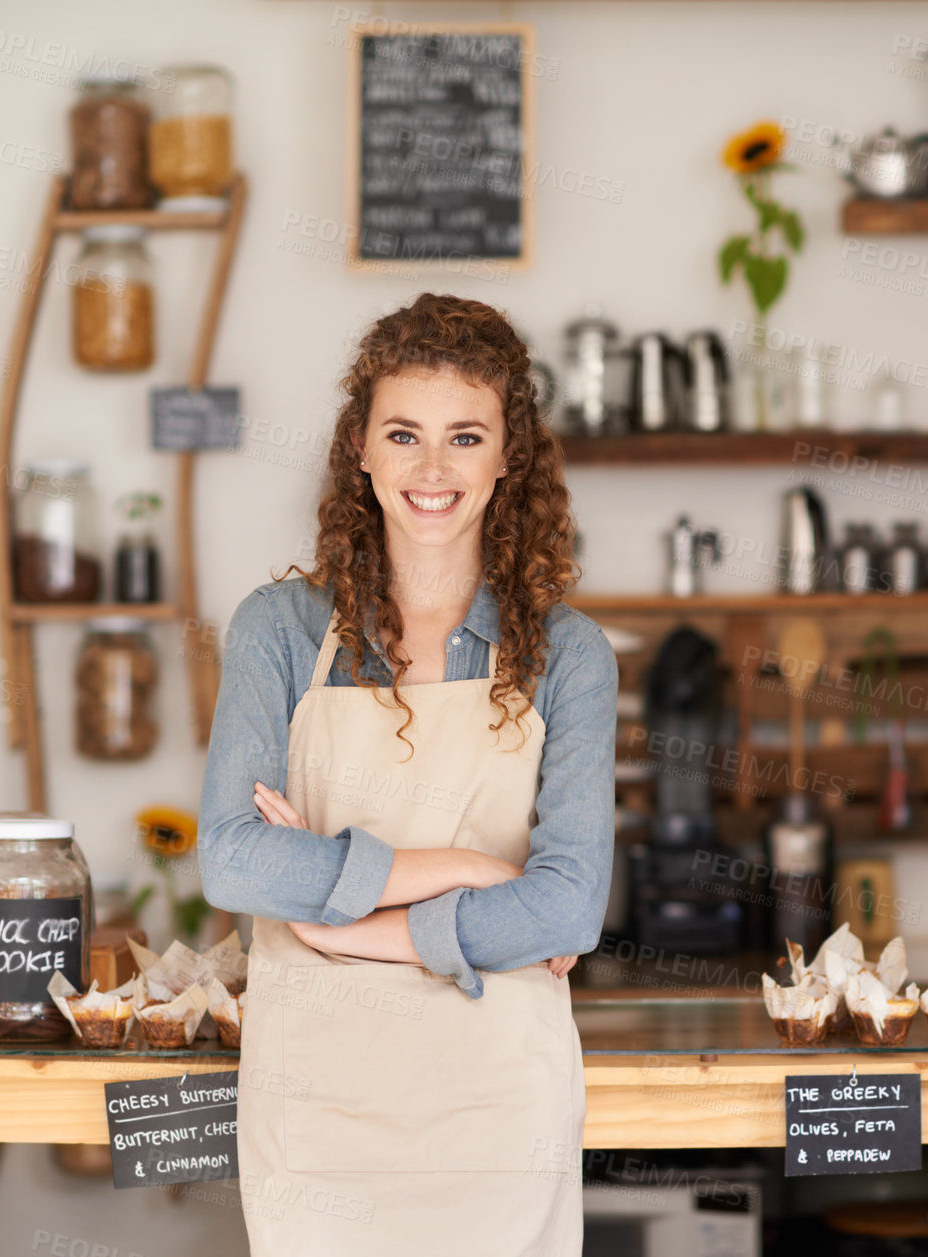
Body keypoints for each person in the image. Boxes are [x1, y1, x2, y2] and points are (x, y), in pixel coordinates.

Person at [197, 293, 617, 1254]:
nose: (433, 470)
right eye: (404, 434)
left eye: (465, 436)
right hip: (318, 1110)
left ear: (508, 455)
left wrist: (346, 928)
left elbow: (566, 911)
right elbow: (232, 863)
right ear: (362, 448)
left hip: (498, 1110)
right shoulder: (280, 630)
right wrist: (467, 872)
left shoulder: (570, 655)